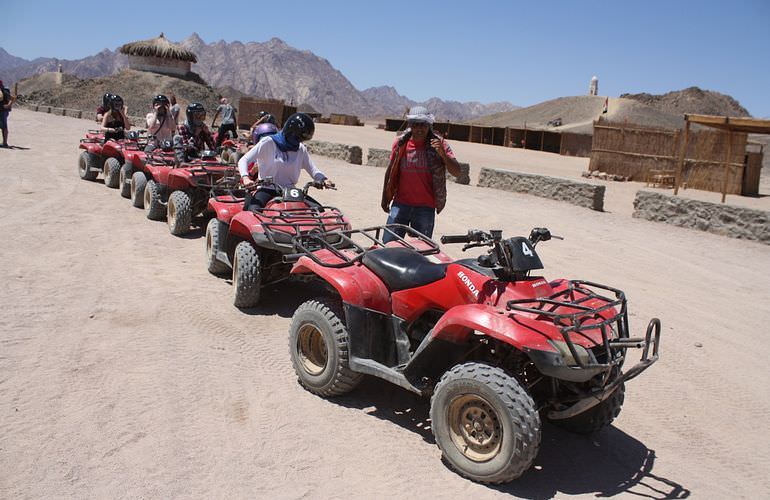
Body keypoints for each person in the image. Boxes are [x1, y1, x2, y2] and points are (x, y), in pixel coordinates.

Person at [381, 106, 461, 242]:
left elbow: (457, 172)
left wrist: (442, 154)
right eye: (415, 125)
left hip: (425, 208)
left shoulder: (439, 144)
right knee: (388, 246)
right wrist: (385, 197)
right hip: (400, 203)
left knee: (421, 250)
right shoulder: (401, 143)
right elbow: (391, 170)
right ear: (410, 125)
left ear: (429, 125)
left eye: (423, 125)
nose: (419, 129)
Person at [238, 112, 333, 209]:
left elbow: (313, 170)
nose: (299, 141)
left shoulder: (300, 149)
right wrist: (245, 178)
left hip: (291, 191)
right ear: (290, 131)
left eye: (302, 139)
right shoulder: (268, 142)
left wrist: (323, 179)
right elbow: (244, 160)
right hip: (267, 189)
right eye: (297, 137)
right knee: (253, 211)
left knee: (319, 210)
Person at [0, 80, 14, 148]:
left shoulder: (4, 91)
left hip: (3, 111)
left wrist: (8, 105)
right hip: (3, 111)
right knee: (3, 127)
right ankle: (4, 142)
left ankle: (5, 143)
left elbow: (12, 98)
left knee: (4, 127)